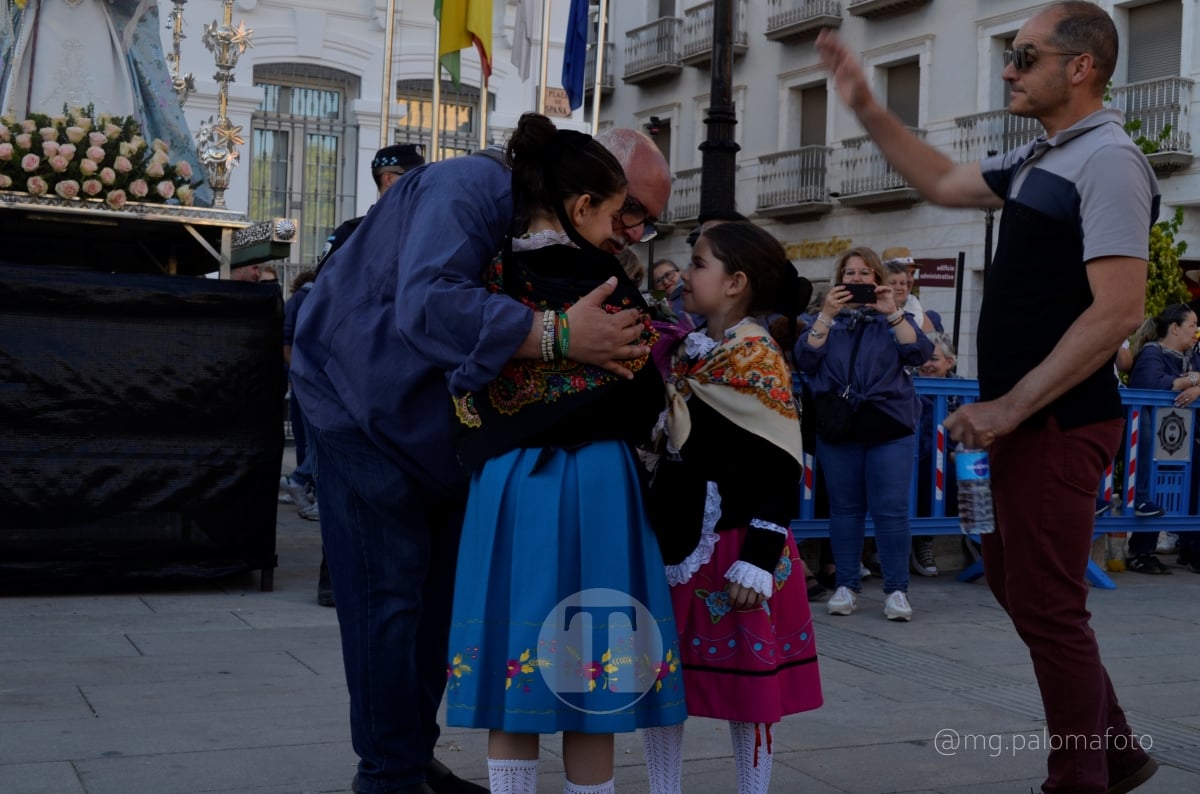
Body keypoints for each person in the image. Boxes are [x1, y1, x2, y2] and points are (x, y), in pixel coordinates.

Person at [817, 3, 1159, 790]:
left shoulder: (1108, 160)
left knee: (1049, 605)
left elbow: (1120, 311)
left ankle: (1077, 778)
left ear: (1081, 67)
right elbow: (938, 178)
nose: (1009, 69)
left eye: (1025, 55)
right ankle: (1121, 751)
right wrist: (868, 104)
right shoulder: (1044, 156)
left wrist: (1008, 409)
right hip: (1027, 424)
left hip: (1059, 423)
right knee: (1019, 585)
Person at [290, 122, 671, 794]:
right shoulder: (471, 186)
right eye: (630, 211)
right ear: (587, 185)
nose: (632, 233)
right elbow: (429, 301)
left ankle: (412, 757)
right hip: (359, 406)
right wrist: (554, 334)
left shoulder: (548, 235)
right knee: (389, 601)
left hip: (441, 434)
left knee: (437, 602)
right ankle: (388, 776)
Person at [444, 113, 685, 794]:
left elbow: (463, 372)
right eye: (618, 216)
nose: (621, 235)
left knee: (512, 670)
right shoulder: (608, 280)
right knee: (595, 676)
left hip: (507, 484)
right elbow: (643, 398)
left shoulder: (488, 270)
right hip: (599, 483)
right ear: (582, 205)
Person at [641, 221, 822, 794]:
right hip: (678, 539)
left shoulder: (754, 357)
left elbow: (780, 459)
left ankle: (752, 789)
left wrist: (762, 555)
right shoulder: (692, 352)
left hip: (739, 543)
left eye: (698, 264)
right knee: (663, 681)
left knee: (748, 688)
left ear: (735, 282)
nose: (685, 274)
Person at [795, 247, 932, 621]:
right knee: (845, 510)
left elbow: (920, 352)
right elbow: (805, 359)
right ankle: (846, 585)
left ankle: (897, 591)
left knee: (891, 511)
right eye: (849, 273)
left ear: (878, 280)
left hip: (889, 424)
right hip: (840, 425)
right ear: (839, 279)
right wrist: (826, 314)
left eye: (864, 273)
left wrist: (893, 313)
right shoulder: (826, 320)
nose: (856, 280)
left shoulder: (891, 318)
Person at [1, 0, 210, 205]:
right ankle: (26, 165)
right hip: (43, 17)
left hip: (98, 21)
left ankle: (112, 171)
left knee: (108, 104)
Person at [1124, 303, 1197, 572]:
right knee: (1153, 487)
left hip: (1181, 438)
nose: (1196, 331)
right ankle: (1141, 550)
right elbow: (1152, 385)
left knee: (1187, 488)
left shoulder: (1191, 356)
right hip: (1154, 440)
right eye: (1191, 326)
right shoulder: (1151, 354)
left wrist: (1196, 386)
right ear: (1175, 328)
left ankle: (1191, 546)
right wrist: (1191, 380)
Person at [316, 143, 425, 270]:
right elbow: (324, 284)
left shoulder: (425, 231)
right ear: (388, 179)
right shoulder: (350, 235)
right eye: (415, 177)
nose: (421, 183)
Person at [912, 332, 963, 577]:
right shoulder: (907, 384)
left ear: (949, 363)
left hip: (948, 457)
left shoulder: (961, 390)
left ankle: (976, 541)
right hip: (915, 458)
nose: (926, 364)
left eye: (933, 359)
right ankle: (922, 540)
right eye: (922, 357)